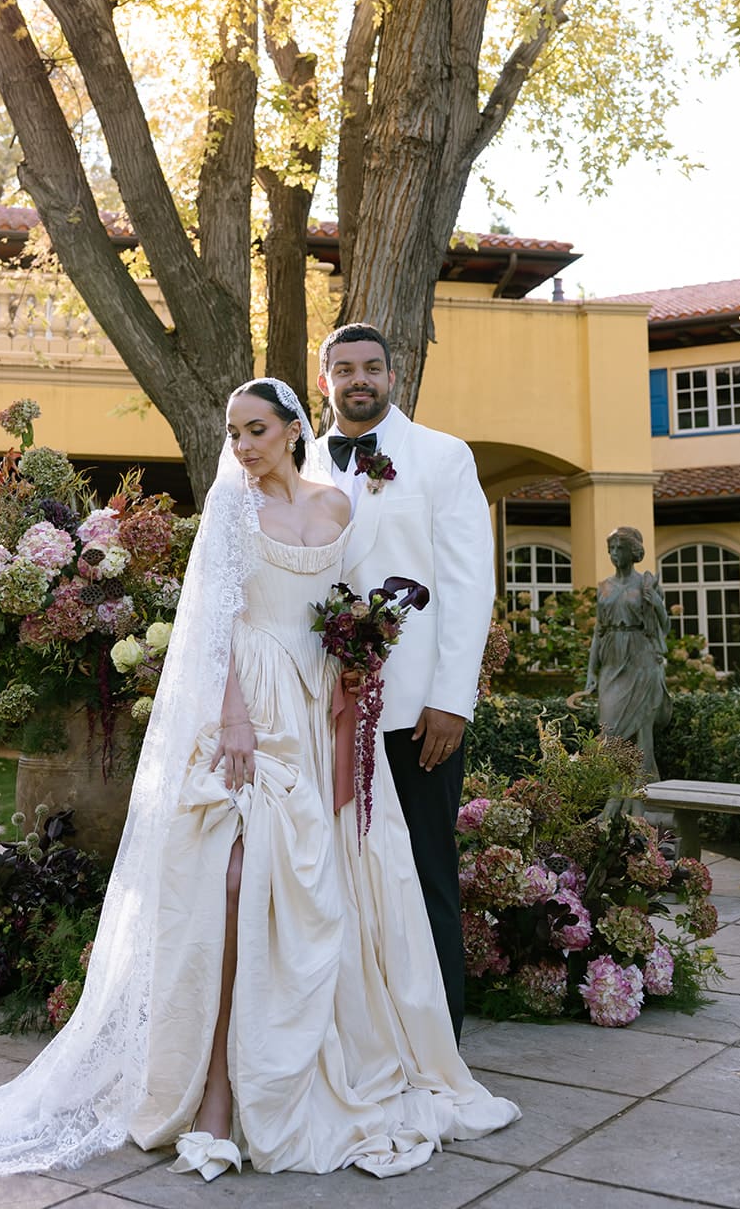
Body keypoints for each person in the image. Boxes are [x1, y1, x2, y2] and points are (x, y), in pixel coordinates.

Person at [0, 378, 517, 1198]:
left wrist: (356, 665)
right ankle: (215, 1093)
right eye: (232, 431)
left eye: (255, 430)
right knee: (233, 878)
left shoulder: (337, 509)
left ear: (291, 431)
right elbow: (218, 625)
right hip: (247, 703)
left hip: (320, 709)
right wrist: (235, 723)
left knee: (333, 885)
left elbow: (343, 609)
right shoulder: (231, 511)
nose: (241, 446)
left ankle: (318, 1062)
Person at [310, 325, 495, 1042]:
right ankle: (350, 1033)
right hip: (318, 706)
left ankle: (437, 1036)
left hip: (417, 708)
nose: (359, 379)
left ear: (393, 375)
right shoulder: (298, 464)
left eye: (372, 368)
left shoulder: (443, 457)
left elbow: (466, 583)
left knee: (423, 871)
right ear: (324, 379)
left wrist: (452, 698)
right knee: (329, 872)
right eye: (344, 369)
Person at [584, 524, 672, 778]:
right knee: (609, 726)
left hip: (641, 659)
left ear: (632, 552)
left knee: (642, 730)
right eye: (611, 549)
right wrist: (592, 670)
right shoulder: (604, 588)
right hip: (612, 659)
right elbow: (598, 631)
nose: (614, 554)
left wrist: (657, 604)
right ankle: (615, 794)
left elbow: (665, 627)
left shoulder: (647, 585)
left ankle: (639, 799)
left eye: (619, 549)